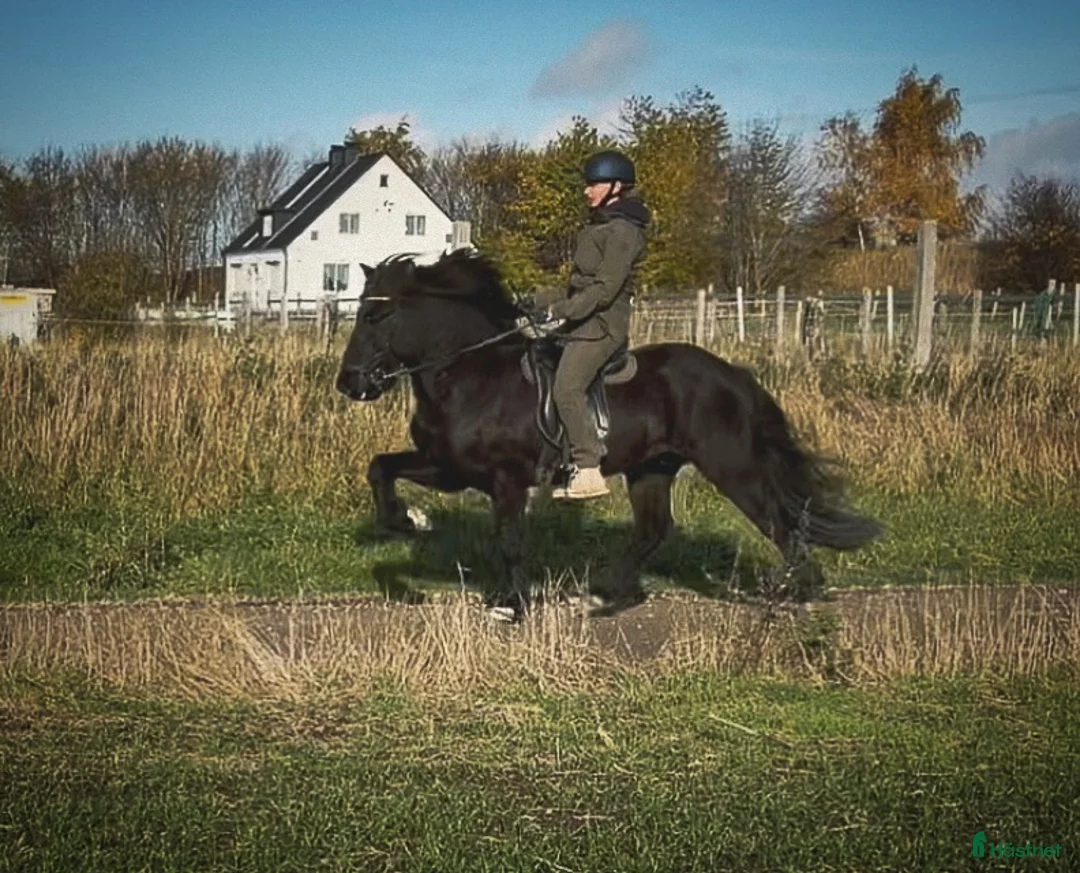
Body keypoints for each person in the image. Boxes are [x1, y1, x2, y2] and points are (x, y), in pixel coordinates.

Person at [543, 149, 651, 500]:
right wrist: (536, 301)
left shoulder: (623, 232)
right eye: (587, 184)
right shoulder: (600, 225)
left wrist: (564, 309)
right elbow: (578, 283)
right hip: (584, 320)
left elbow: (605, 290)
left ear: (616, 186)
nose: (586, 191)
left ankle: (589, 469)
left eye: (594, 184)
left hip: (602, 326)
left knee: (567, 388)